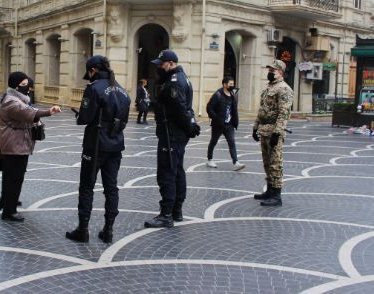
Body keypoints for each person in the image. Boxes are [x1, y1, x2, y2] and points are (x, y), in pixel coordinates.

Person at [65, 55, 131, 243]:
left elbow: (85, 118)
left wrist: (81, 115)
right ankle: (108, 230)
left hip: (95, 145)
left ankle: (83, 229)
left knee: (86, 186)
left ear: (93, 70)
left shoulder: (94, 88)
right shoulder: (123, 90)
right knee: (111, 188)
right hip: (116, 144)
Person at [144, 50, 200, 228]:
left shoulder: (174, 82)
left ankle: (166, 214)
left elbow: (180, 109)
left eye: (161, 64)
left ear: (170, 63)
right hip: (175, 133)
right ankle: (176, 210)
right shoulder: (181, 78)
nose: (159, 67)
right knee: (177, 171)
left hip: (171, 134)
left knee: (167, 172)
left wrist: (189, 127)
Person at [0, 71, 61, 221]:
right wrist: (49, 111)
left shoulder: (17, 99)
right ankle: (9, 211)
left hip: (16, 145)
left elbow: (28, 112)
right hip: (14, 146)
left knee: (12, 177)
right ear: (16, 86)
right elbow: (27, 113)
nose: (28, 88)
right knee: (15, 178)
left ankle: (8, 205)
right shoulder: (11, 102)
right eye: (24, 85)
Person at [252, 60, 293, 206]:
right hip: (264, 130)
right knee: (267, 163)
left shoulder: (284, 89)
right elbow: (262, 109)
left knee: (275, 163)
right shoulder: (269, 87)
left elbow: (284, 113)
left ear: (280, 72)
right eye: (269, 70)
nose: (269, 72)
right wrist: (255, 126)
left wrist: (277, 132)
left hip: (274, 131)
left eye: (272, 70)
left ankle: (276, 195)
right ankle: (269, 190)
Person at [206, 76, 245, 171]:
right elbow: (209, 108)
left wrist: (235, 122)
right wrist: (216, 118)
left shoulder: (232, 94)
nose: (232, 85)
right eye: (230, 84)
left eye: (233, 84)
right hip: (218, 125)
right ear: (224, 84)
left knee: (232, 142)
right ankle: (209, 159)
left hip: (229, 124)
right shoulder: (217, 95)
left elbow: (234, 110)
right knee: (213, 141)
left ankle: (236, 162)